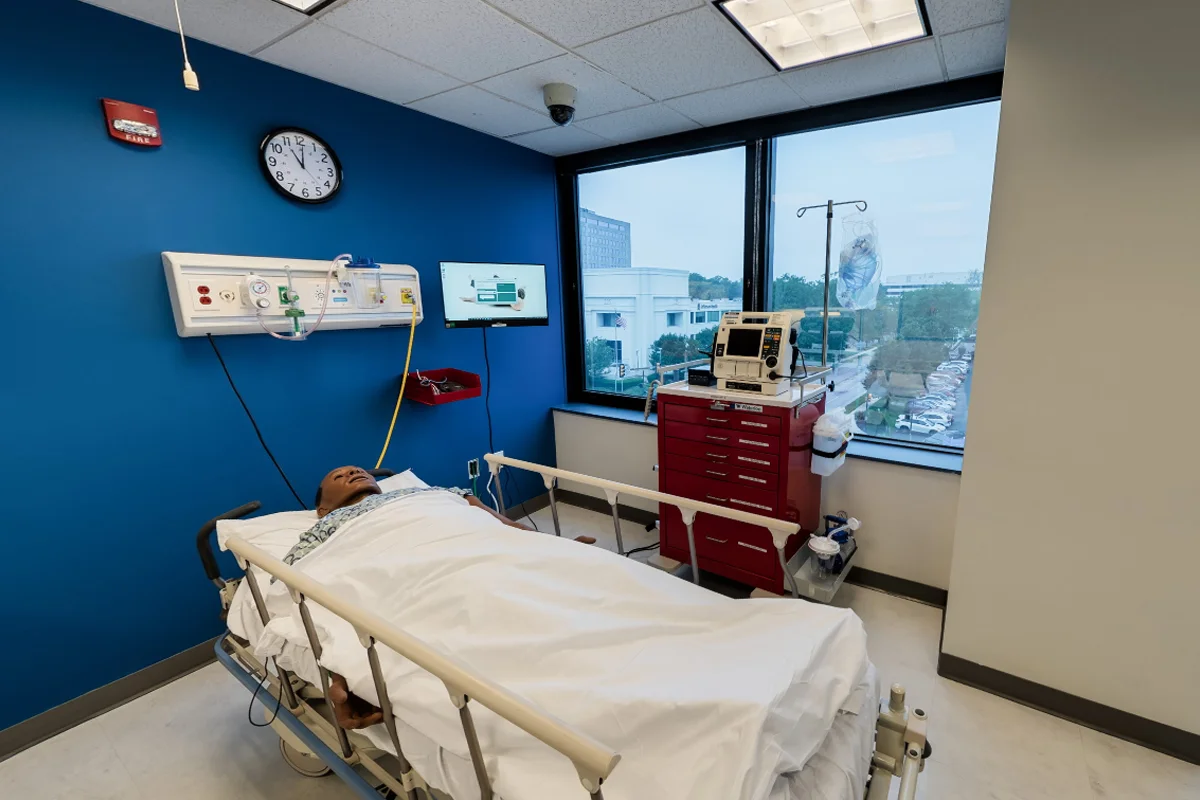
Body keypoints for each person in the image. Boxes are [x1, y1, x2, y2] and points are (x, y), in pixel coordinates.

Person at [291, 466, 592, 730]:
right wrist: (340, 667)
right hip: (411, 571)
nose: (353, 473)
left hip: (480, 551)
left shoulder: (429, 493)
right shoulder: (322, 530)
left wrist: (557, 547)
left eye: (359, 470)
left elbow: (507, 527)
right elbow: (313, 583)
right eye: (339, 476)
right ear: (322, 510)